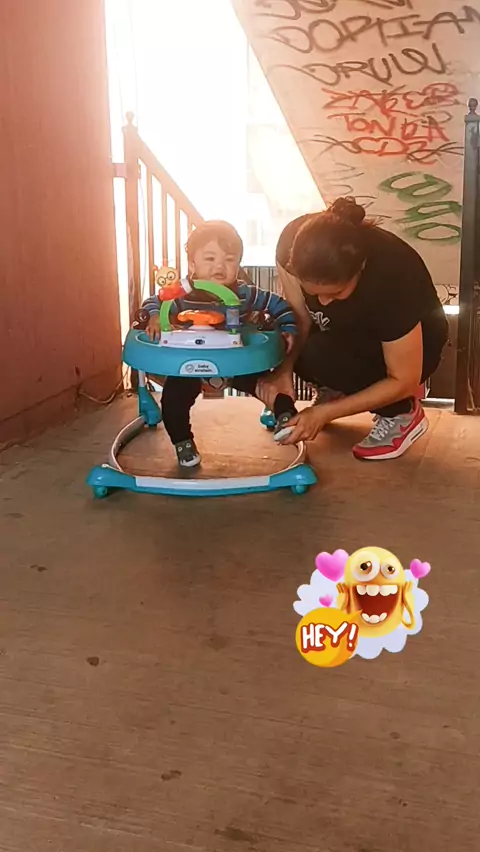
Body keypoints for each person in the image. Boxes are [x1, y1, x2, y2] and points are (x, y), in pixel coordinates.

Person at [256, 197, 449, 460]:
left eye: (336, 293)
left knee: (325, 354)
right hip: (345, 333)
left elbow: (404, 379)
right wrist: (283, 373)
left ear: (360, 269)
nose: (323, 302)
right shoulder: (291, 247)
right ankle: (336, 389)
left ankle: (401, 413)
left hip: (413, 350)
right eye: (314, 292)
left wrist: (323, 414)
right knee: (285, 337)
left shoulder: (391, 276)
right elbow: (300, 318)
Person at [142, 221, 299, 468]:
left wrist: (288, 329)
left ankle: (285, 416)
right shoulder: (182, 293)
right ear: (192, 264)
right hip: (192, 364)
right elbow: (154, 301)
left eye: (229, 259)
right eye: (210, 258)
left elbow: (280, 306)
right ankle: (183, 442)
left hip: (237, 363)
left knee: (267, 385)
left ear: (238, 264)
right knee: (172, 399)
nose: (219, 266)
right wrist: (154, 317)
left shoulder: (246, 294)